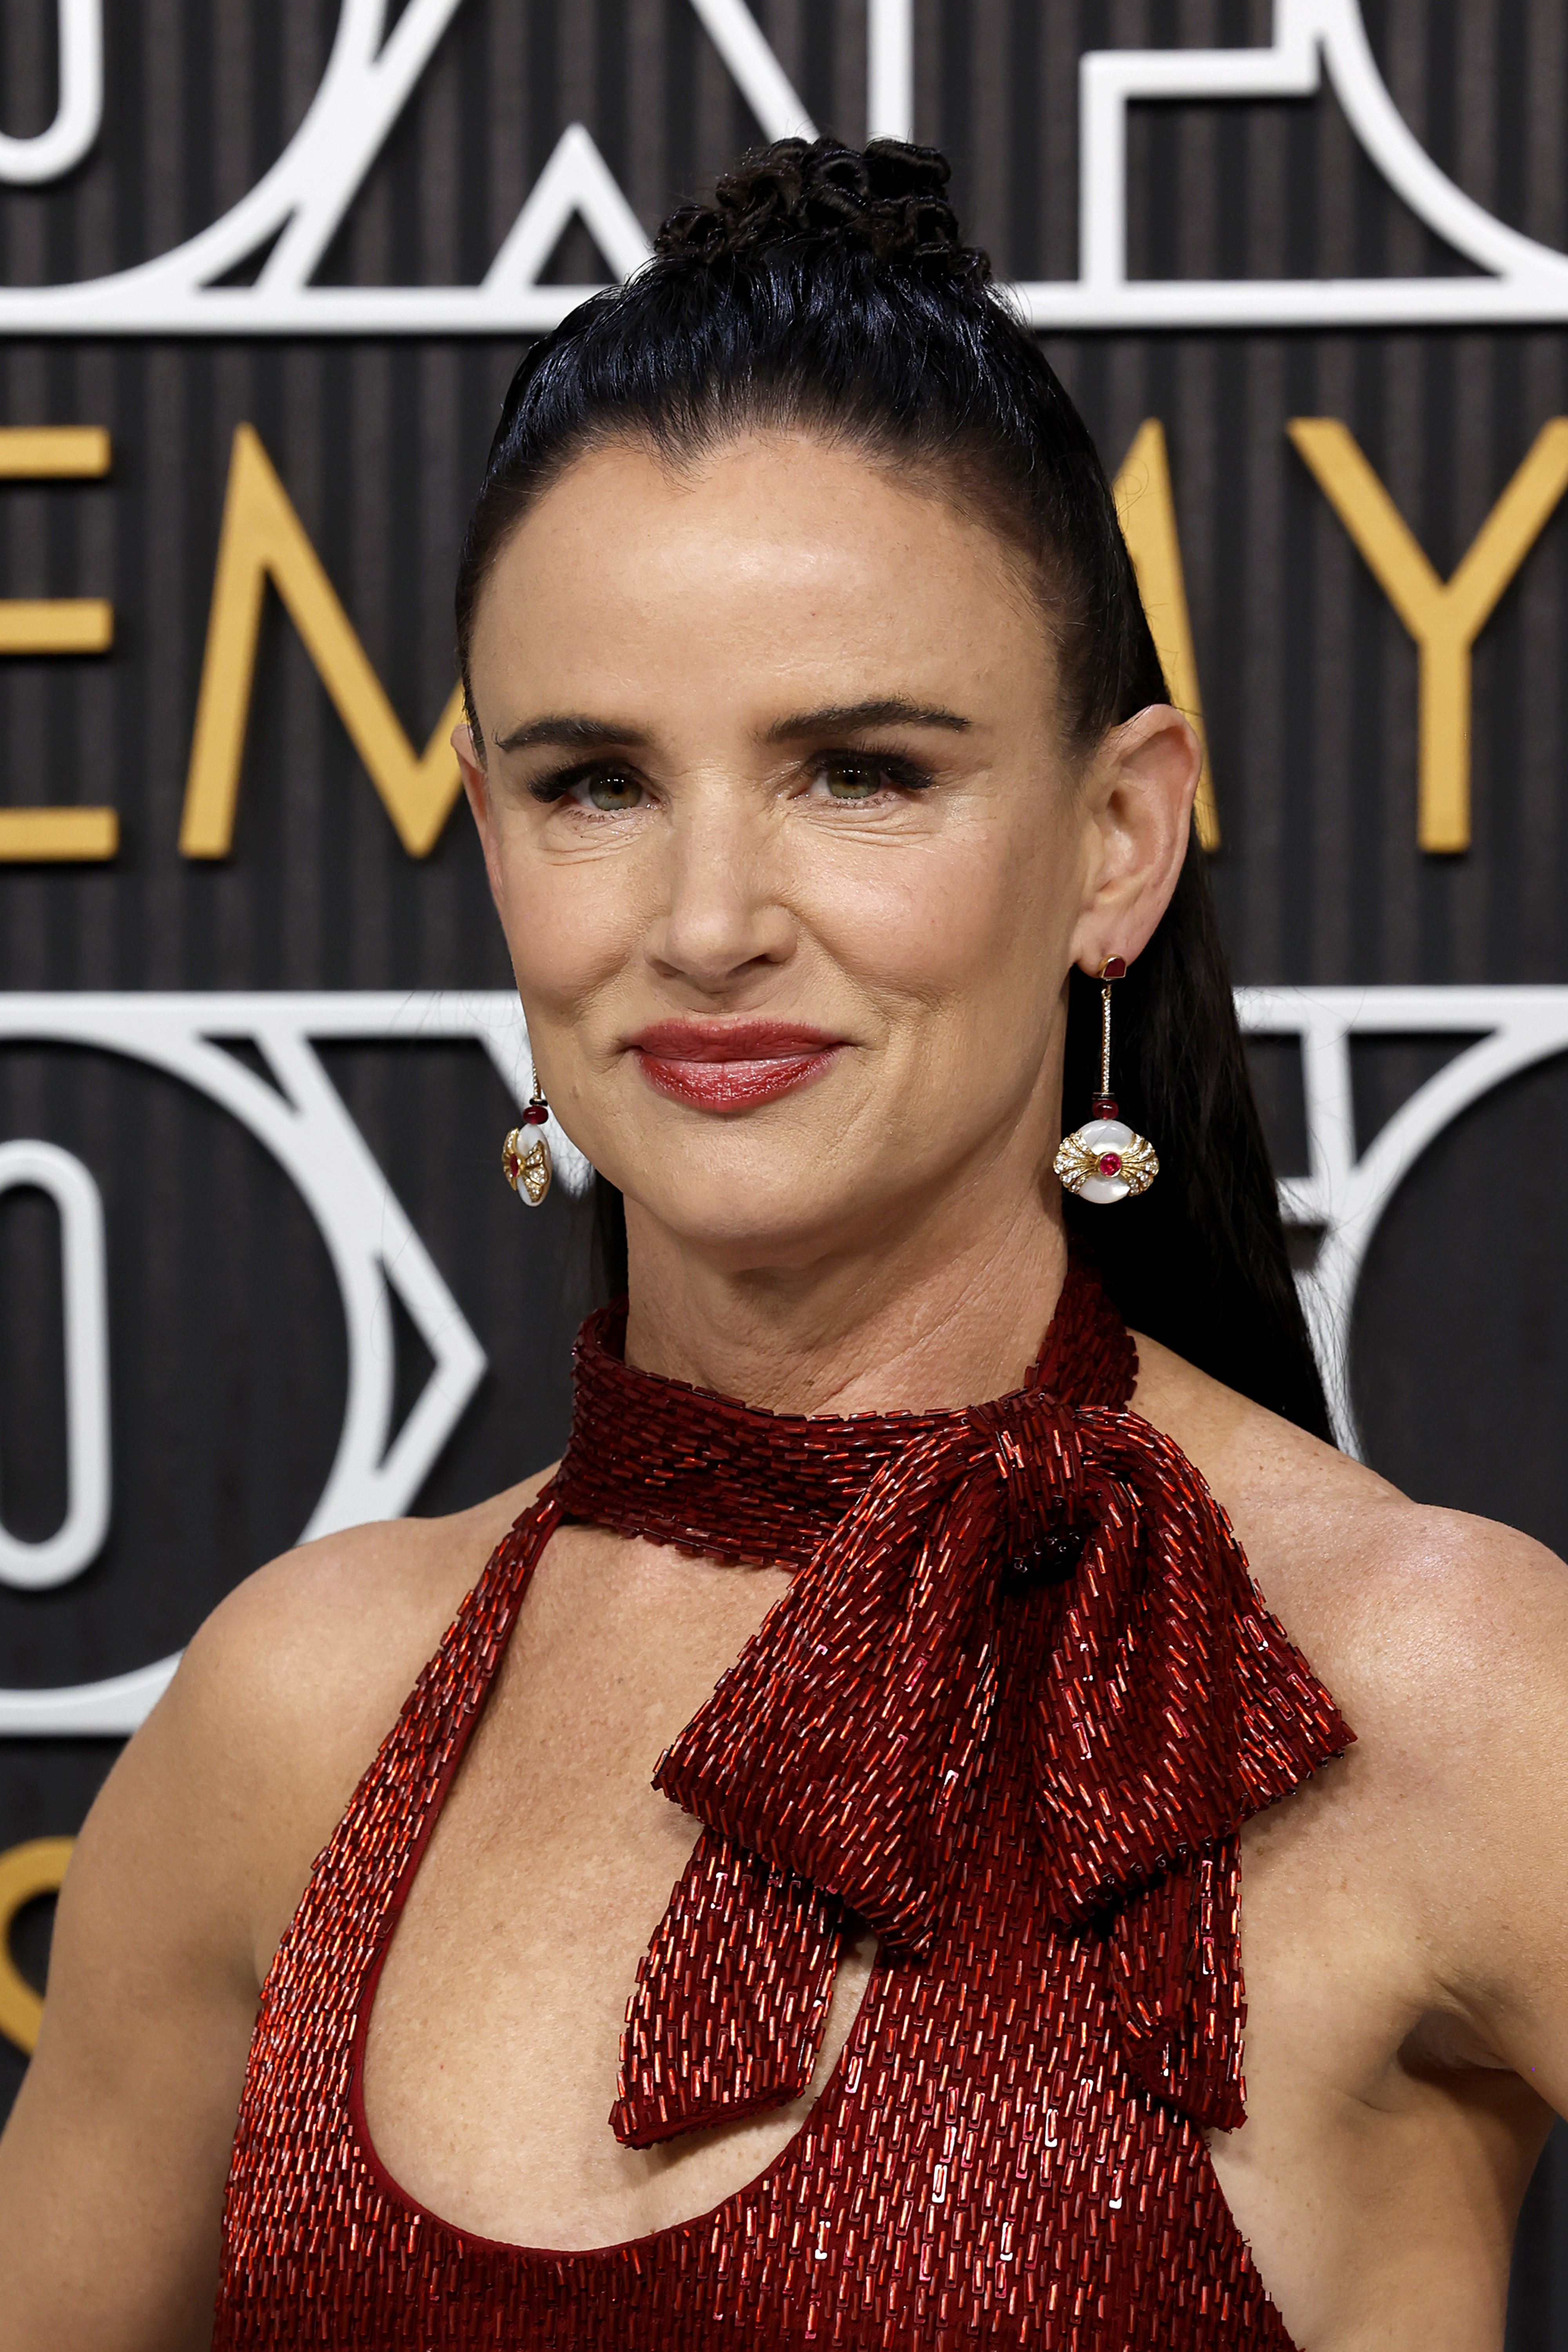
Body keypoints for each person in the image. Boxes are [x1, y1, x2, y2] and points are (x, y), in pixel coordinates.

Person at [0, 136, 1563, 2352]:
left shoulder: (1437, 1694)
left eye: (861, 769)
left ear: (1117, 840)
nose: (709, 923)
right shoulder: (296, 1713)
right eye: (595, 784)